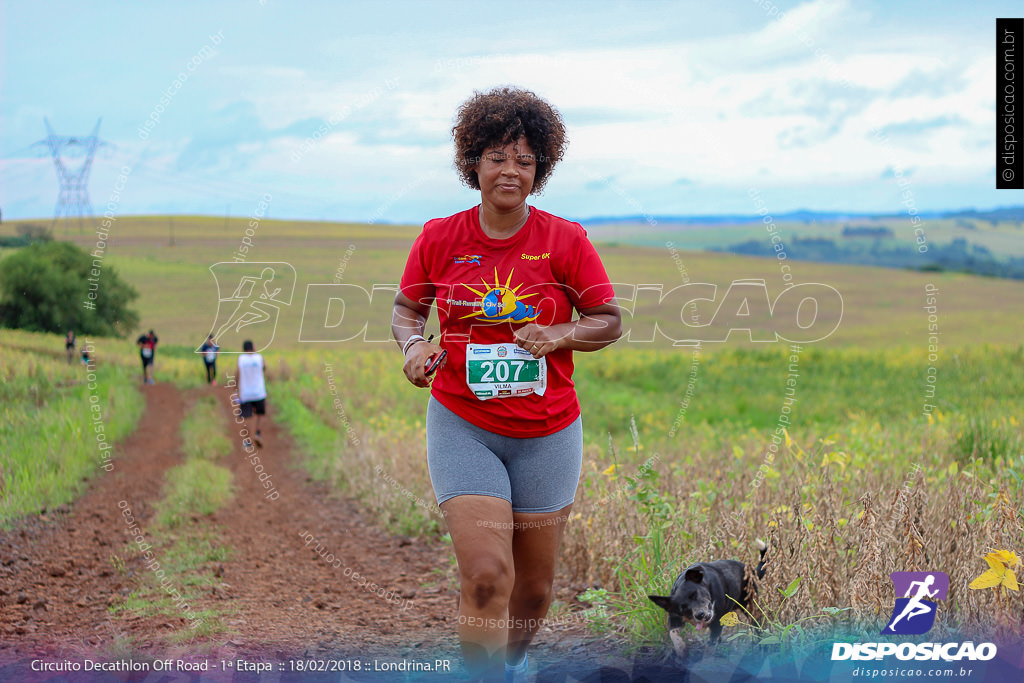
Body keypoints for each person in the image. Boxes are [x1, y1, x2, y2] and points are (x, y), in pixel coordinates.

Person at [391, 86, 621, 681]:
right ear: (473, 162)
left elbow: (609, 321)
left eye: (524, 159)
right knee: (488, 576)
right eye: (497, 156)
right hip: (463, 424)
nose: (510, 170)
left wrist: (558, 335)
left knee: (535, 591)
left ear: (540, 168)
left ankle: (511, 666)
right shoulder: (440, 237)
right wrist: (415, 346)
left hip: (548, 430)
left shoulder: (565, 240)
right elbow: (406, 310)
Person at [236, 339, 267, 448]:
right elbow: (264, 368)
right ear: (253, 347)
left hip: (246, 393)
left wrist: (236, 389)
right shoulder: (259, 358)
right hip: (259, 392)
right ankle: (257, 433)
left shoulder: (241, 359)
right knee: (261, 415)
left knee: (246, 417)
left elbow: (237, 375)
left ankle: (247, 441)